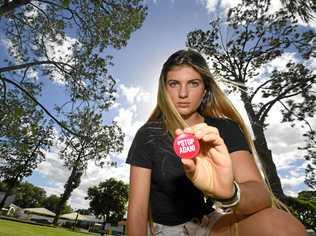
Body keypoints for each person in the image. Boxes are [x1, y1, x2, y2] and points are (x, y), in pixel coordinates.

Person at [126, 49, 306, 236]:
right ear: (164, 89)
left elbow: (259, 194)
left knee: (282, 228)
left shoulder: (224, 129)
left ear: (205, 89)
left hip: (208, 224)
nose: (183, 93)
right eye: (174, 83)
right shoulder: (147, 135)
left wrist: (230, 192)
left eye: (193, 83)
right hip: (161, 228)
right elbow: (138, 209)